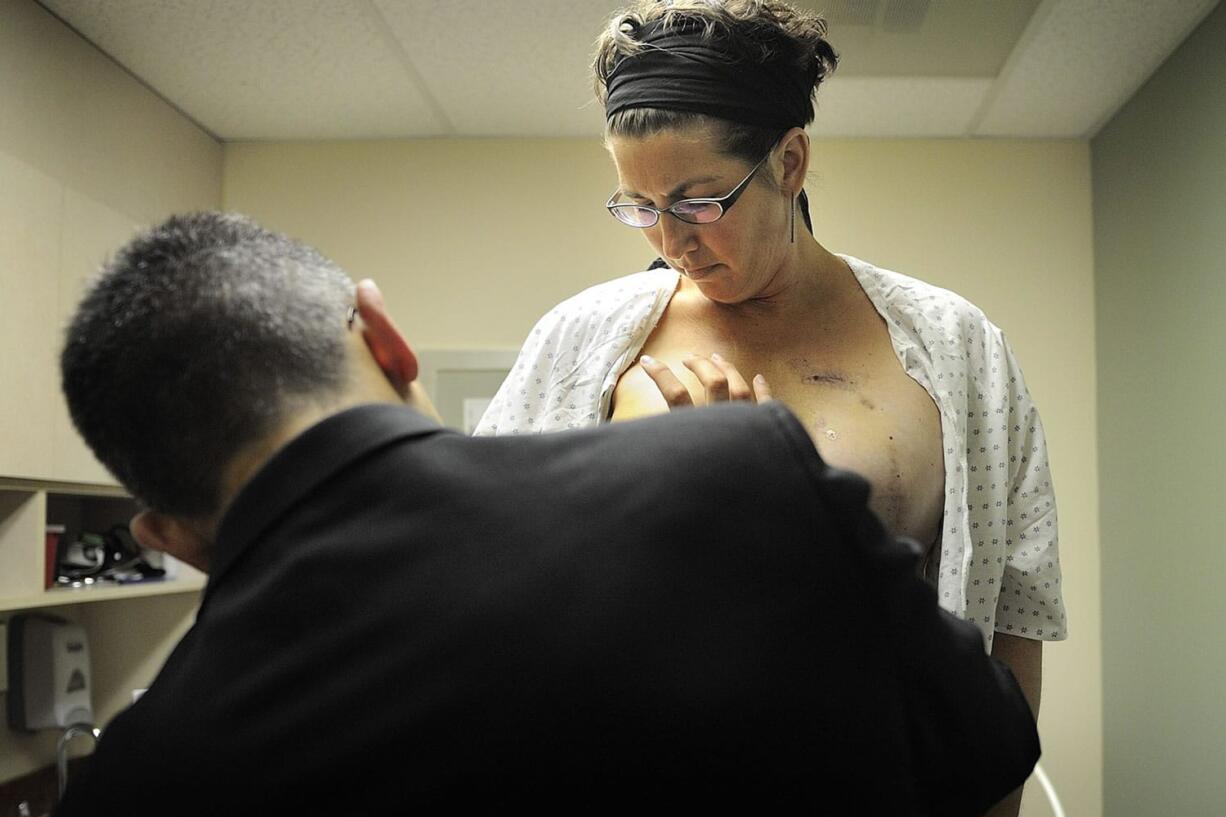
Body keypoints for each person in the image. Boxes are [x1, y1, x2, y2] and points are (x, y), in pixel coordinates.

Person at [56, 212, 1037, 815]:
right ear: (387, 336)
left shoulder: (137, 782)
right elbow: (983, 737)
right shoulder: (735, 472)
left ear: (168, 538)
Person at [474, 6, 1066, 810]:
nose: (669, 242)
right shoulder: (580, 346)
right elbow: (487, 574)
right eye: (638, 205)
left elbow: (1013, 625)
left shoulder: (957, 348)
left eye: (698, 201)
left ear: (790, 161)